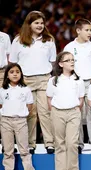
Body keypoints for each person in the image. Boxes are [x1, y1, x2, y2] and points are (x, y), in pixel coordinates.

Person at [9, 11, 55, 154]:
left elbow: (52, 62)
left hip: (44, 79)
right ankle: (30, 144)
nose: (40, 25)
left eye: (42, 23)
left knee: (45, 112)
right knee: (29, 113)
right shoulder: (18, 40)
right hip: (26, 81)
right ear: (29, 24)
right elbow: (13, 62)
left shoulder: (49, 40)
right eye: (36, 23)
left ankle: (50, 143)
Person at [46, 51, 84, 170]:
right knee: (60, 143)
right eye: (68, 60)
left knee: (72, 143)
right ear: (61, 64)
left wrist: (75, 110)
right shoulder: (53, 80)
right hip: (58, 113)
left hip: (73, 112)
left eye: (73, 59)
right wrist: (55, 111)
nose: (72, 62)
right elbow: (49, 98)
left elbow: (81, 98)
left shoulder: (78, 80)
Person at [63, 18, 91, 153]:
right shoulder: (69, 47)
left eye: (90, 30)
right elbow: (65, 67)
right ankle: (78, 143)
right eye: (86, 30)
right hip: (75, 83)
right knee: (76, 114)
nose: (90, 32)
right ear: (78, 31)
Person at [0, 63, 38, 170]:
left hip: (21, 121)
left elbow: (30, 106)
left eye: (17, 71)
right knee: (8, 150)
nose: (15, 74)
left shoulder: (25, 89)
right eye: (11, 72)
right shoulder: (3, 90)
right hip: (6, 121)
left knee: (24, 149)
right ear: (7, 75)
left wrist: (22, 114)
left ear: (21, 74)